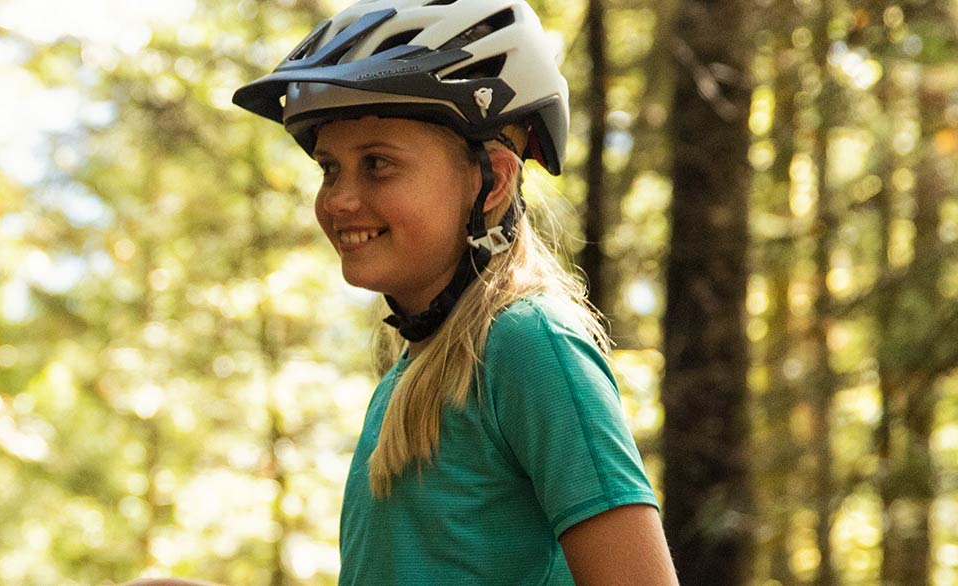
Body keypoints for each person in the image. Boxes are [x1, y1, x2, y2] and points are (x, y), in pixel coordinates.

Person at [230, 0, 676, 583]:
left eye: (377, 163)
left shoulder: (528, 345)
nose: (337, 199)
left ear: (491, 181)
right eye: (329, 168)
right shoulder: (409, 376)